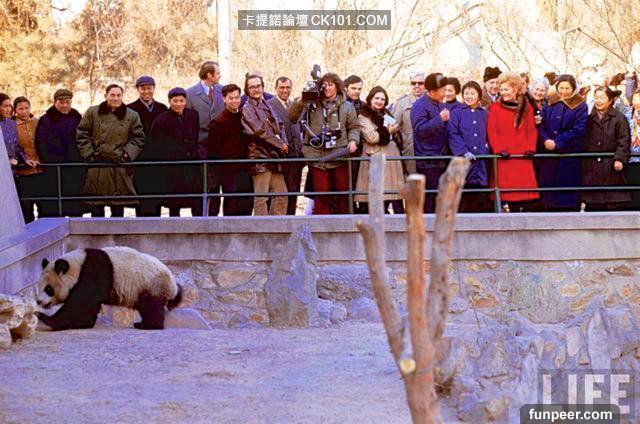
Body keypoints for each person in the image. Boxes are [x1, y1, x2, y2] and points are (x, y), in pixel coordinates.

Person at [289, 73, 360, 215]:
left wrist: (353, 141)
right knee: (321, 197)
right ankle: (321, 226)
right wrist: (302, 99)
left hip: (340, 156)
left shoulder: (347, 106)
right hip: (318, 158)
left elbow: (354, 127)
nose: (326, 88)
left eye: (330, 84)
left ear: (337, 87)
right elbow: (292, 117)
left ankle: (344, 225)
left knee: (343, 196)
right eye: (324, 84)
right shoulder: (311, 104)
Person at [76, 84, 145, 217]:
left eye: (118, 95)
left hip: (118, 165)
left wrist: (126, 154)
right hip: (97, 165)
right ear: (106, 95)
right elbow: (82, 133)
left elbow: (138, 138)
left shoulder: (131, 115)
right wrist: (89, 154)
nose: (115, 98)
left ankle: (117, 231)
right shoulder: (93, 112)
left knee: (118, 207)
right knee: (96, 207)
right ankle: (97, 231)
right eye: (112, 95)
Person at [487, 72, 540, 212]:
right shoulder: (495, 108)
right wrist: (498, 149)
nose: (503, 92)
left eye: (506, 89)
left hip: (522, 156)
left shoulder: (527, 107)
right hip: (505, 157)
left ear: (515, 89)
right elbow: (492, 132)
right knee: (506, 195)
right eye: (501, 89)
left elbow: (531, 130)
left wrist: (531, 148)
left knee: (524, 196)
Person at [149, 87, 203, 217]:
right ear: (169, 101)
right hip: (173, 168)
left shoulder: (193, 115)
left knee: (196, 202)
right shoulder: (161, 120)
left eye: (181, 101)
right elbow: (156, 145)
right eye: (175, 101)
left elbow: (195, 136)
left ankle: (198, 226)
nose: (178, 104)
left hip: (192, 166)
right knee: (174, 204)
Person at [537, 74, 588, 211]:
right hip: (549, 154)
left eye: (567, 88)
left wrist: (558, 142)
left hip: (568, 155)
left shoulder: (580, 105)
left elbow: (578, 129)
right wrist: (546, 139)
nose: (564, 91)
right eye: (561, 88)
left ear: (573, 89)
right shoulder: (550, 102)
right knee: (548, 192)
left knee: (566, 193)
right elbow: (541, 124)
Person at [242, 74, 289, 216]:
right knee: (261, 198)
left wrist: (284, 142)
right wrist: (280, 144)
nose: (256, 89)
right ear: (247, 89)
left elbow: (280, 125)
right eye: (252, 87)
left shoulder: (267, 104)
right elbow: (259, 131)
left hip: (274, 157)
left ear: (262, 87)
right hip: (260, 158)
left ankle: (276, 225)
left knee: (281, 195)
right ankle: (261, 227)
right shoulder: (247, 108)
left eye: (258, 86)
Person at [354, 86, 405, 214]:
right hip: (374, 156)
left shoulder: (386, 113)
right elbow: (371, 137)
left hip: (391, 157)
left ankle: (388, 216)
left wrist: (393, 131)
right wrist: (388, 131)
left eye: (382, 99)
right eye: (377, 98)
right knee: (374, 194)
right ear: (370, 99)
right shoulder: (364, 115)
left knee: (391, 193)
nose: (379, 101)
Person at [35, 89, 84, 217]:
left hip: (74, 167)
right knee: (55, 205)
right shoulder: (46, 120)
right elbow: (41, 144)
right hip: (54, 169)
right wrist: (52, 162)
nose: (65, 105)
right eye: (61, 102)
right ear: (55, 102)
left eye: (68, 102)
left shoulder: (76, 117)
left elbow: (83, 138)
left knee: (75, 205)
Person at [581, 87, 631, 210]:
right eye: (596, 98)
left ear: (610, 100)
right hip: (592, 165)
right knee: (593, 203)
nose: (598, 101)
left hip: (611, 163)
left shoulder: (619, 118)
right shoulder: (589, 118)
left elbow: (624, 140)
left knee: (613, 202)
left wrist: (619, 158)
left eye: (602, 98)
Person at [207, 84, 253, 216]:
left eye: (237, 97)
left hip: (245, 167)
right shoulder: (218, 121)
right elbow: (213, 149)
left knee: (247, 202)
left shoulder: (244, 116)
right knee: (232, 203)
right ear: (224, 99)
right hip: (228, 170)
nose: (235, 101)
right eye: (231, 98)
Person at [446, 81, 491, 212]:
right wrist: (462, 151)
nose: (469, 96)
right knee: (463, 194)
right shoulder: (457, 112)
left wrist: (487, 148)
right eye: (466, 93)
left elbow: (490, 134)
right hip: (463, 162)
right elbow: (452, 133)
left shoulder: (485, 114)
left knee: (481, 195)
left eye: (472, 93)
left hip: (482, 162)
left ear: (479, 95)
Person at [128, 75, 168, 217]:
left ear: (154, 89)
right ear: (138, 90)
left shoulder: (162, 108)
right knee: (141, 196)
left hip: (158, 158)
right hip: (140, 158)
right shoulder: (130, 109)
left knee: (157, 196)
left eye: (149, 88)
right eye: (143, 88)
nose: (146, 91)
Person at [410, 72, 450, 213]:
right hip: (428, 161)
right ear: (432, 91)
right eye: (442, 90)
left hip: (441, 158)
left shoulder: (440, 104)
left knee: (440, 198)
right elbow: (420, 130)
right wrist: (440, 119)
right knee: (430, 200)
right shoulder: (419, 106)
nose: (445, 93)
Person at [268, 76, 304, 215]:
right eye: (282, 87)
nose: (285, 90)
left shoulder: (296, 104)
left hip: (296, 157)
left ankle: (291, 221)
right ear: (276, 88)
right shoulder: (269, 105)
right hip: (280, 157)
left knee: (293, 192)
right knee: (278, 195)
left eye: (288, 87)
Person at [13, 97, 42, 222]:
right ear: (15, 110)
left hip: (41, 170)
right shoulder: (12, 125)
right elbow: (14, 147)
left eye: (26, 108)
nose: (24, 111)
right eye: (20, 109)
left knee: (43, 205)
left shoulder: (37, 122)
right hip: (23, 172)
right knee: (26, 207)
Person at [393, 72, 425, 175]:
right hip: (410, 147)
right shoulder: (402, 102)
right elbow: (393, 125)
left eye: (420, 83)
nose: (416, 86)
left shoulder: (432, 100)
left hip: (429, 147)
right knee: (412, 177)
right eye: (413, 83)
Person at [624, 88, 640, 209]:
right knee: (633, 188)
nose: (637, 102)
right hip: (631, 158)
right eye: (635, 99)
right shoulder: (627, 114)